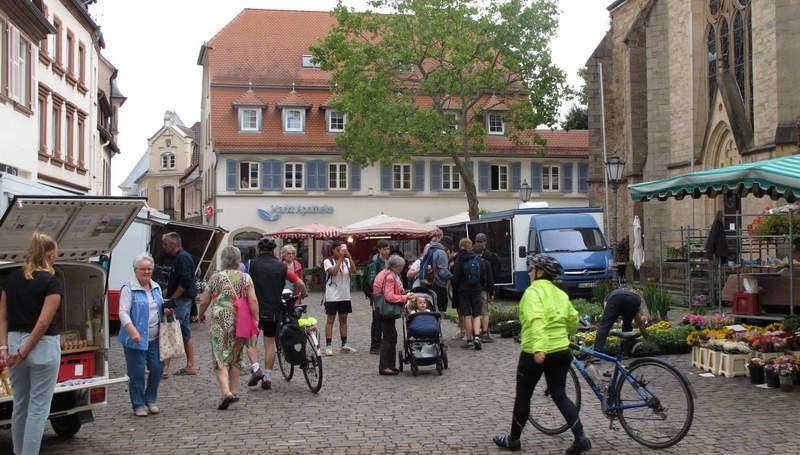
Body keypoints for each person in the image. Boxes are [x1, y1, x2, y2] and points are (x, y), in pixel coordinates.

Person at [493, 254, 590, 454]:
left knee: (523, 396)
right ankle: (581, 437)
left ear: (540, 272)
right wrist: (563, 335)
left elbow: (536, 320)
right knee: (560, 394)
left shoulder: (532, 293)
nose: (529, 272)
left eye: (531, 268)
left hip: (535, 352)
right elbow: (573, 319)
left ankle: (513, 440)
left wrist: (539, 348)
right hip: (561, 351)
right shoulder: (560, 293)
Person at [0, 232, 63, 455]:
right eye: (54, 251)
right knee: (38, 409)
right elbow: (44, 322)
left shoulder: (11, 280)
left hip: (14, 341)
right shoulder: (52, 282)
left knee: (20, 406)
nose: (56, 255)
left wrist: (5, 348)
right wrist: (24, 352)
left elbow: (3, 317)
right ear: (47, 253)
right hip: (42, 347)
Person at [197, 246, 259, 410]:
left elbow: (204, 301)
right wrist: (256, 318)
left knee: (219, 355)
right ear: (239, 260)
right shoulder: (246, 278)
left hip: (220, 322)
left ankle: (226, 392)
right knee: (236, 356)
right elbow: (252, 301)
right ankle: (234, 389)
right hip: (241, 321)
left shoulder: (215, 278)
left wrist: (200, 314)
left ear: (223, 260)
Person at [246, 237, 307, 389]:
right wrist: (303, 293)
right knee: (269, 343)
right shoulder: (282, 267)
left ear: (258, 249)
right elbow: (299, 283)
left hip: (253, 310)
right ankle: (267, 378)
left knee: (251, 342)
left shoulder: (250, 265)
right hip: (273, 310)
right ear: (274, 251)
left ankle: (255, 368)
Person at [118, 253, 167, 417]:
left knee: (157, 369)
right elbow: (123, 312)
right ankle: (138, 404)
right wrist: (132, 331)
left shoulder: (156, 287)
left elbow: (159, 307)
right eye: (143, 269)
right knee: (137, 372)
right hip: (135, 338)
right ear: (135, 270)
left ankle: (150, 399)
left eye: (149, 269)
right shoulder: (128, 288)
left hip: (155, 337)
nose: (146, 272)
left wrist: (166, 309)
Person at [161, 232, 198, 377]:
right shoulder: (181, 258)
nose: (163, 247)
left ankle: (164, 369)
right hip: (184, 300)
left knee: (170, 330)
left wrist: (172, 299)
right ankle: (190, 365)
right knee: (185, 332)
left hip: (181, 301)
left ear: (173, 244)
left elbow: (185, 282)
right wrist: (166, 291)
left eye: (165, 244)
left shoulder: (182, 258)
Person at [373, 255, 410, 375]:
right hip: (386, 310)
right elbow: (389, 296)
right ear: (395, 267)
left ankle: (390, 365)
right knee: (389, 337)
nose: (402, 269)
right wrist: (404, 297)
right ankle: (385, 367)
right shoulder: (390, 277)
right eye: (401, 267)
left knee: (391, 336)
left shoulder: (385, 273)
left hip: (381, 309)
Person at [323, 240, 357, 356]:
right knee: (330, 320)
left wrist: (349, 257)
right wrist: (341, 259)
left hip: (345, 295)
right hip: (332, 296)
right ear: (333, 250)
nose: (340, 252)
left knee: (343, 319)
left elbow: (354, 270)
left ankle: (344, 344)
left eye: (342, 250)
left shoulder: (346, 260)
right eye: (338, 250)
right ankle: (328, 346)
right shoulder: (328, 261)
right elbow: (333, 271)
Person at [452, 238, 485, 350]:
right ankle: (477, 337)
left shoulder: (459, 259)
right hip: (476, 289)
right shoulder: (477, 257)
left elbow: (456, 276)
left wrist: (455, 287)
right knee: (477, 314)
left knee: (467, 315)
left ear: (461, 247)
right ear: (470, 246)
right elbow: (482, 274)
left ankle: (469, 339)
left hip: (463, 290)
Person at [593, 287, 648, 354]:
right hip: (634, 299)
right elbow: (638, 321)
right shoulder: (628, 293)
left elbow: (606, 313)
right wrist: (647, 337)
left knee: (604, 326)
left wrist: (611, 320)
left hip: (616, 298)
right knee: (627, 325)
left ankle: (597, 352)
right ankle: (627, 348)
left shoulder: (608, 298)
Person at [418, 232, 454, 313]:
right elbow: (442, 271)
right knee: (439, 311)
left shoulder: (430, 249)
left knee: (430, 309)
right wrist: (452, 277)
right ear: (447, 246)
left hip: (427, 283)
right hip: (438, 285)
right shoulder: (441, 252)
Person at [366, 240, 391, 354]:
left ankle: (385, 343)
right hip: (377, 296)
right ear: (379, 249)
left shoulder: (389, 262)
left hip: (388, 295)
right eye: (385, 249)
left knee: (387, 319)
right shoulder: (374, 263)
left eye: (388, 249)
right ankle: (375, 346)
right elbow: (372, 281)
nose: (387, 251)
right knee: (377, 320)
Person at [474, 233, 500, 342]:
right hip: (484, 289)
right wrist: (492, 291)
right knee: (485, 312)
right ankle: (484, 333)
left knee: (474, 313)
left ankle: (474, 334)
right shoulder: (490, 257)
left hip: (472, 289)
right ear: (485, 242)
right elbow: (494, 273)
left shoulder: (470, 257)